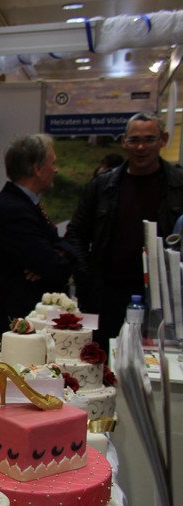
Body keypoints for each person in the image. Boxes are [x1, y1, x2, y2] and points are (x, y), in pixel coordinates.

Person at [65, 112, 183, 349]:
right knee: (101, 358)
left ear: (163, 140)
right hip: (106, 296)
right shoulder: (102, 186)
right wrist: (85, 278)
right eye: (134, 140)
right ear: (123, 142)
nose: (141, 147)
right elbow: (76, 233)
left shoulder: (178, 185)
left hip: (162, 299)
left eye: (149, 139)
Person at [0, 134, 76, 333]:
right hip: (22, 326)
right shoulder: (13, 210)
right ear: (37, 169)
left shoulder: (25, 204)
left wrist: (57, 252)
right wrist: (54, 256)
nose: (56, 170)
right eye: (53, 163)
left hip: (33, 322)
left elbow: (55, 253)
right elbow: (55, 268)